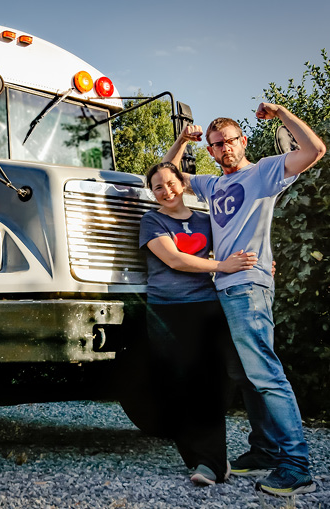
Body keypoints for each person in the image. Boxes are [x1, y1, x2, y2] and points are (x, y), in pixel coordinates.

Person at [163, 102, 326, 496]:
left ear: (243, 140)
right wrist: (182, 140)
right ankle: (265, 451)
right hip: (224, 287)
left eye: (230, 141)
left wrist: (284, 113)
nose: (225, 149)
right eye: (217, 145)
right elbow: (165, 176)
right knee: (247, 375)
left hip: (248, 285)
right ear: (211, 151)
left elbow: (315, 150)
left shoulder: (264, 172)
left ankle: (297, 466)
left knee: (266, 375)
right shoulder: (212, 184)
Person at [139, 161, 258, 486]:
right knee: (175, 389)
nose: (166, 191)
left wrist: (260, 267)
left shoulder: (208, 220)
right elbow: (174, 258)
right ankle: (198, 458)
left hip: (205, 308)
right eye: (158, 187)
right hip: (166, 312)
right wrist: (220, 264)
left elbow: (239, 245)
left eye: (170, 182)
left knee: (207, 385)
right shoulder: (152, 221)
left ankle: (211, 463)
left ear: (183, 183)